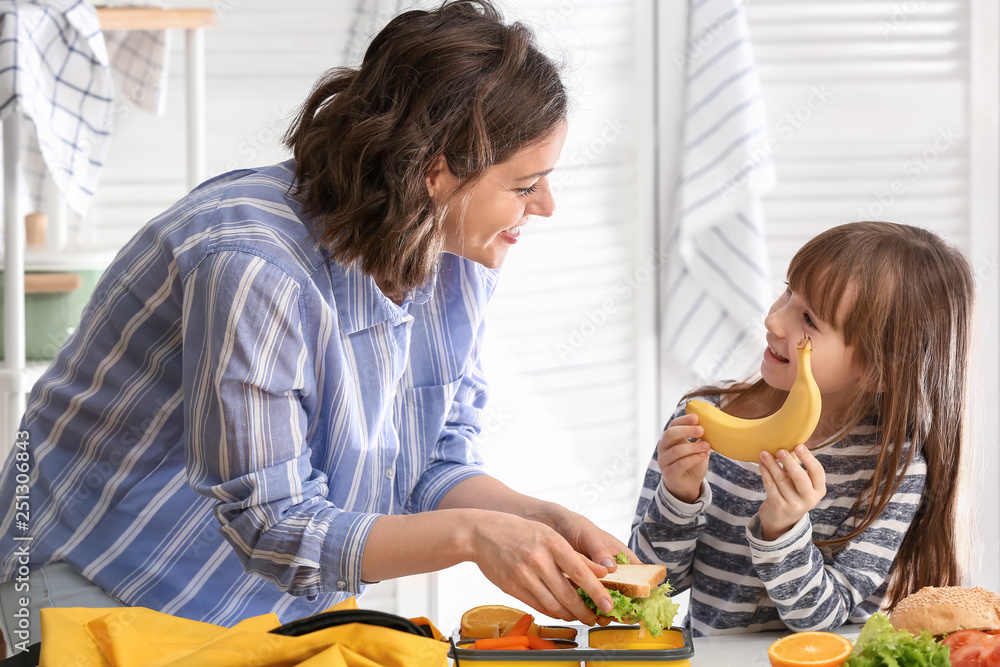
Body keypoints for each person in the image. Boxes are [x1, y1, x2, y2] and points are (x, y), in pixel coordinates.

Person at [0, 0, 632, 646]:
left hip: (247, 615)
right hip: (90, 586)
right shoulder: (254, 265)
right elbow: (274, 525)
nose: (546, 206)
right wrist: (475, 537)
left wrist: (542, 521)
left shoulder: (457, 257)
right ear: (438, 172)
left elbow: (433, 464)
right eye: (526, 186)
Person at [631, 221, 973, 636]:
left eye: (808, 319)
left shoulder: (892, 467)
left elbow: (822, 621)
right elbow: (649, 588)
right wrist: (679, 498)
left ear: (876, 370)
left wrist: (782, 529)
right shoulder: (703, 418)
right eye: (788, 291)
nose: (773, 320)